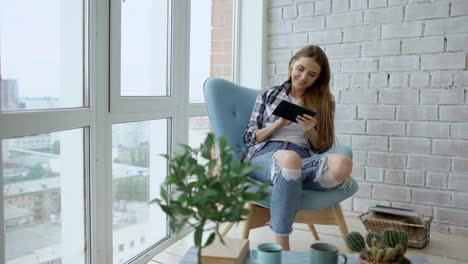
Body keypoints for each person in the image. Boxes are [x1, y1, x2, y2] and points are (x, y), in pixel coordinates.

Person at [239, 45, 353, 251]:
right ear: (292, 64)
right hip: (264, 155)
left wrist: (310, 131)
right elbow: (249, 137)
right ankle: (282, 244)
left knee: (342, 164)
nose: (303, 77)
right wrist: (278, 124)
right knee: (290, 159)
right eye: (300, 69)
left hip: (302, 159)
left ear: (318, 78)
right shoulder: (268, 94)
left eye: (312, 74)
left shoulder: (324, 101)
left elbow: (322, 146)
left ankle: (290, 179)